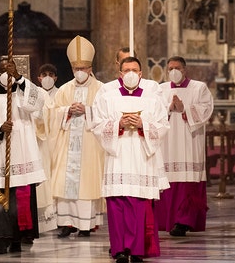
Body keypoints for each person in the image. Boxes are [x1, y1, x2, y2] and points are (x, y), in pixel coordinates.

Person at [91, 56, 170, 263]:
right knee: (117, 205)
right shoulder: (108, 97)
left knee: (137, 205)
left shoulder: (152, 99)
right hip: (117, 156)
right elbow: (96, 125)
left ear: (141, 74)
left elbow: (163, 125)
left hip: (141, 157)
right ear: (120, 73)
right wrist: (118, 123)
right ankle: (119, 250)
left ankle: (135, 250)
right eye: (127, 70)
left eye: (135, 70)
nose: (131, 74)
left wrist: (143, 123)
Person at [0, 56, 47, 254]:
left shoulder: (23, 92)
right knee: (0, 195)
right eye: (3, 70)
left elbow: (38, 102)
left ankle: (19, 236)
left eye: (10, 70)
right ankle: (1, 238)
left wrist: (19, 77)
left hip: (22, 151)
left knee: (21, 195)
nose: (6, 74)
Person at [47, 35, 106, 238]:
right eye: (76, 68)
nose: (79, 72)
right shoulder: (64, 89)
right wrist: (67, 111)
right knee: (64, 183)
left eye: (83, 68)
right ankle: (65, 223)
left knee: (86, 186)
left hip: (90, 146)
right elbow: (52, 113)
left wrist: (88, 110)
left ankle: (85, 225)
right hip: (67, 145)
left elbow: (107, 114)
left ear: (90, 68)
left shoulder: (101, 90)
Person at [155, 56, 213, 237]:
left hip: (189, 142)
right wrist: (168, 109)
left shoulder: (199, 88)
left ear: (185, 70)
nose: (173, 71)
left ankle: (184, 221)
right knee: (168, 181)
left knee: (187, 183)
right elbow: (154, 113)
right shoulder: (161, 89)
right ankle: (167, 220)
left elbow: (206, 110)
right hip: (168, 144)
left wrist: (184, 109)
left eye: (177, 67)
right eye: (170, 68)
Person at [34, 63, 60, 233]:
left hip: (57, 141)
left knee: (56, 176)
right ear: (39, 78)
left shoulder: (61, 93)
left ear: (55, 78)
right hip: (41, 142)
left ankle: (58, 218)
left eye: (51, 74)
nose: (48, 78)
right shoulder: (34, 94)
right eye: (44, 74)